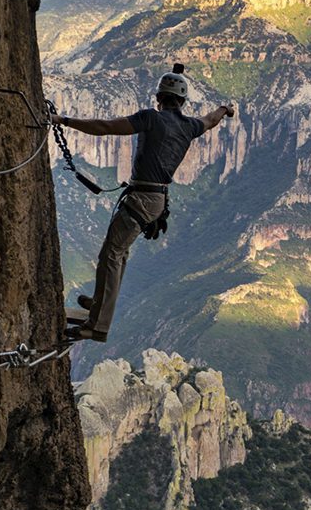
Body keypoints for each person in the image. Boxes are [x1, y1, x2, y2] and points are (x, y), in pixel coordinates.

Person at [53, 64, 234, 341]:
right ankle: (100, 303)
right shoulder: (190, 126)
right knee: (117, 253)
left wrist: (64, 120)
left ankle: (98, 324)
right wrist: (225, 108)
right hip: (156, 201)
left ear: (159, 98)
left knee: (112, 254)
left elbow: (105, 128)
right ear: (183, 102)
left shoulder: (151, 118)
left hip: (142, 199)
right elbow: (211, 120)